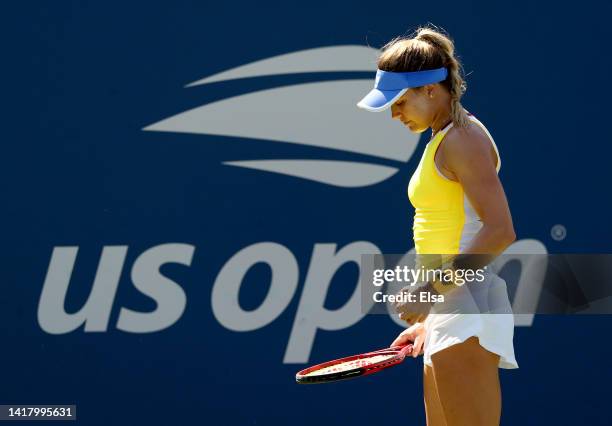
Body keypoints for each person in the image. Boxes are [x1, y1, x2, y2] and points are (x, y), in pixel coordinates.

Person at [357, 25, 518, 426]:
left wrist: (430, 292)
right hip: (452, 306)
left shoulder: (463, 140)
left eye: (400, 101)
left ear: (431, 89)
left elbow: (499, 231)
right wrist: (431, 317)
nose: (394, 113)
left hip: (466, 305)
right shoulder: (444, 138)